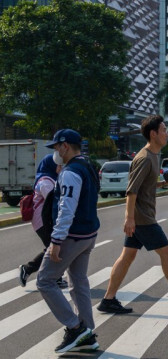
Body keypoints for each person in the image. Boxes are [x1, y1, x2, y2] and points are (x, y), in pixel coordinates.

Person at [97, 115, 168, 315]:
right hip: (142, 219)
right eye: (164, 130)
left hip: (141, 217)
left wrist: (166, 182)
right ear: (153, 134)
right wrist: (129, 218)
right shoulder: (145, 158)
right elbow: (132, 190)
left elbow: (145, 186)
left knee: (127, 256)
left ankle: (108, 299)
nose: (167, 134)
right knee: (167, 253)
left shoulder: (154, 156)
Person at [36, 129, 100, 354]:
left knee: (45, 280)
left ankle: (75, 327)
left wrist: (56, 240)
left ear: (65, 146)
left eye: (56, 147)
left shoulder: (71, 172)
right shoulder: (88, 166)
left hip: (71, 236)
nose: (55, 151)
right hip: (88, 234)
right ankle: (87, 333)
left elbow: (66, 208)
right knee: (78, 281)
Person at [18, 155, 68, 289]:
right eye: (57, 165)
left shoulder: (50, 179)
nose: (60, 168)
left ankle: (55, 277)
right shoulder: (45, 181)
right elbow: (54, 201)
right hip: (42, 221)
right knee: (53, 248)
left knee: (55, 248)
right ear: (50, 166)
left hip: (46, 220)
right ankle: (28, 269)